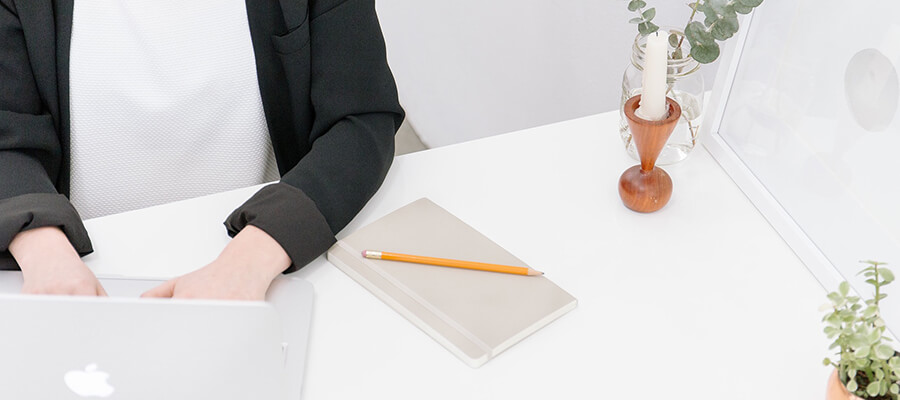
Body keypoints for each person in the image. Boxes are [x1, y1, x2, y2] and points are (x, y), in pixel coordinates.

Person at [0, 0, 404, 300]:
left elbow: (361, 118)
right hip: (75, 265)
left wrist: (253, 258)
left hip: (261, 260)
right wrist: (43, 247)